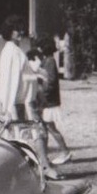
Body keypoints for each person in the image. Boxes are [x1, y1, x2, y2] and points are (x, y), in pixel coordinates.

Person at [0, 16, 61, 179]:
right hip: (22, 101)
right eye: (17, 30)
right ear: (11, 33)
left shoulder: (13, 51)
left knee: (31, 133)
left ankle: (39, 165)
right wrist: (7, 104)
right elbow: (11, 80)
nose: (20, 32)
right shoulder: (12, 52)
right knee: (35, 132)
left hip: (23, 99)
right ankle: (43, 166)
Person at [36, 34, 72, 164]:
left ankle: (65, 151)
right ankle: (44, 155)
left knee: (50, 127)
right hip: (46, 101)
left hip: (48, 101)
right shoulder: (47, 60)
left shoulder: (49, 61)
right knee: (45, 128)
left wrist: (41, 93)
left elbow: (49, 82)